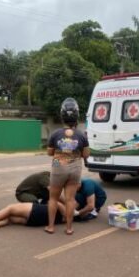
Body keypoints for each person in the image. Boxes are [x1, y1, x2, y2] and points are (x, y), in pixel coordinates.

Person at [45, 98, 90, 235]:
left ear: (62, 116)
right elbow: (86, 154)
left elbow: (50, 153)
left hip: (58, 166)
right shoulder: (82, 135)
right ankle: (69, 228)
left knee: (53, 198)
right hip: (75, 168)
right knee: (70, 199)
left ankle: (51, 227)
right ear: (76, 116)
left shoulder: (55, 134)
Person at [0, 202, 65, 230]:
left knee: (11, 208)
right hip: (36, 222)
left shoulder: (68, 211)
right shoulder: (66, 219)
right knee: (10, 219)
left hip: (38, 211)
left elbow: (54, 202)